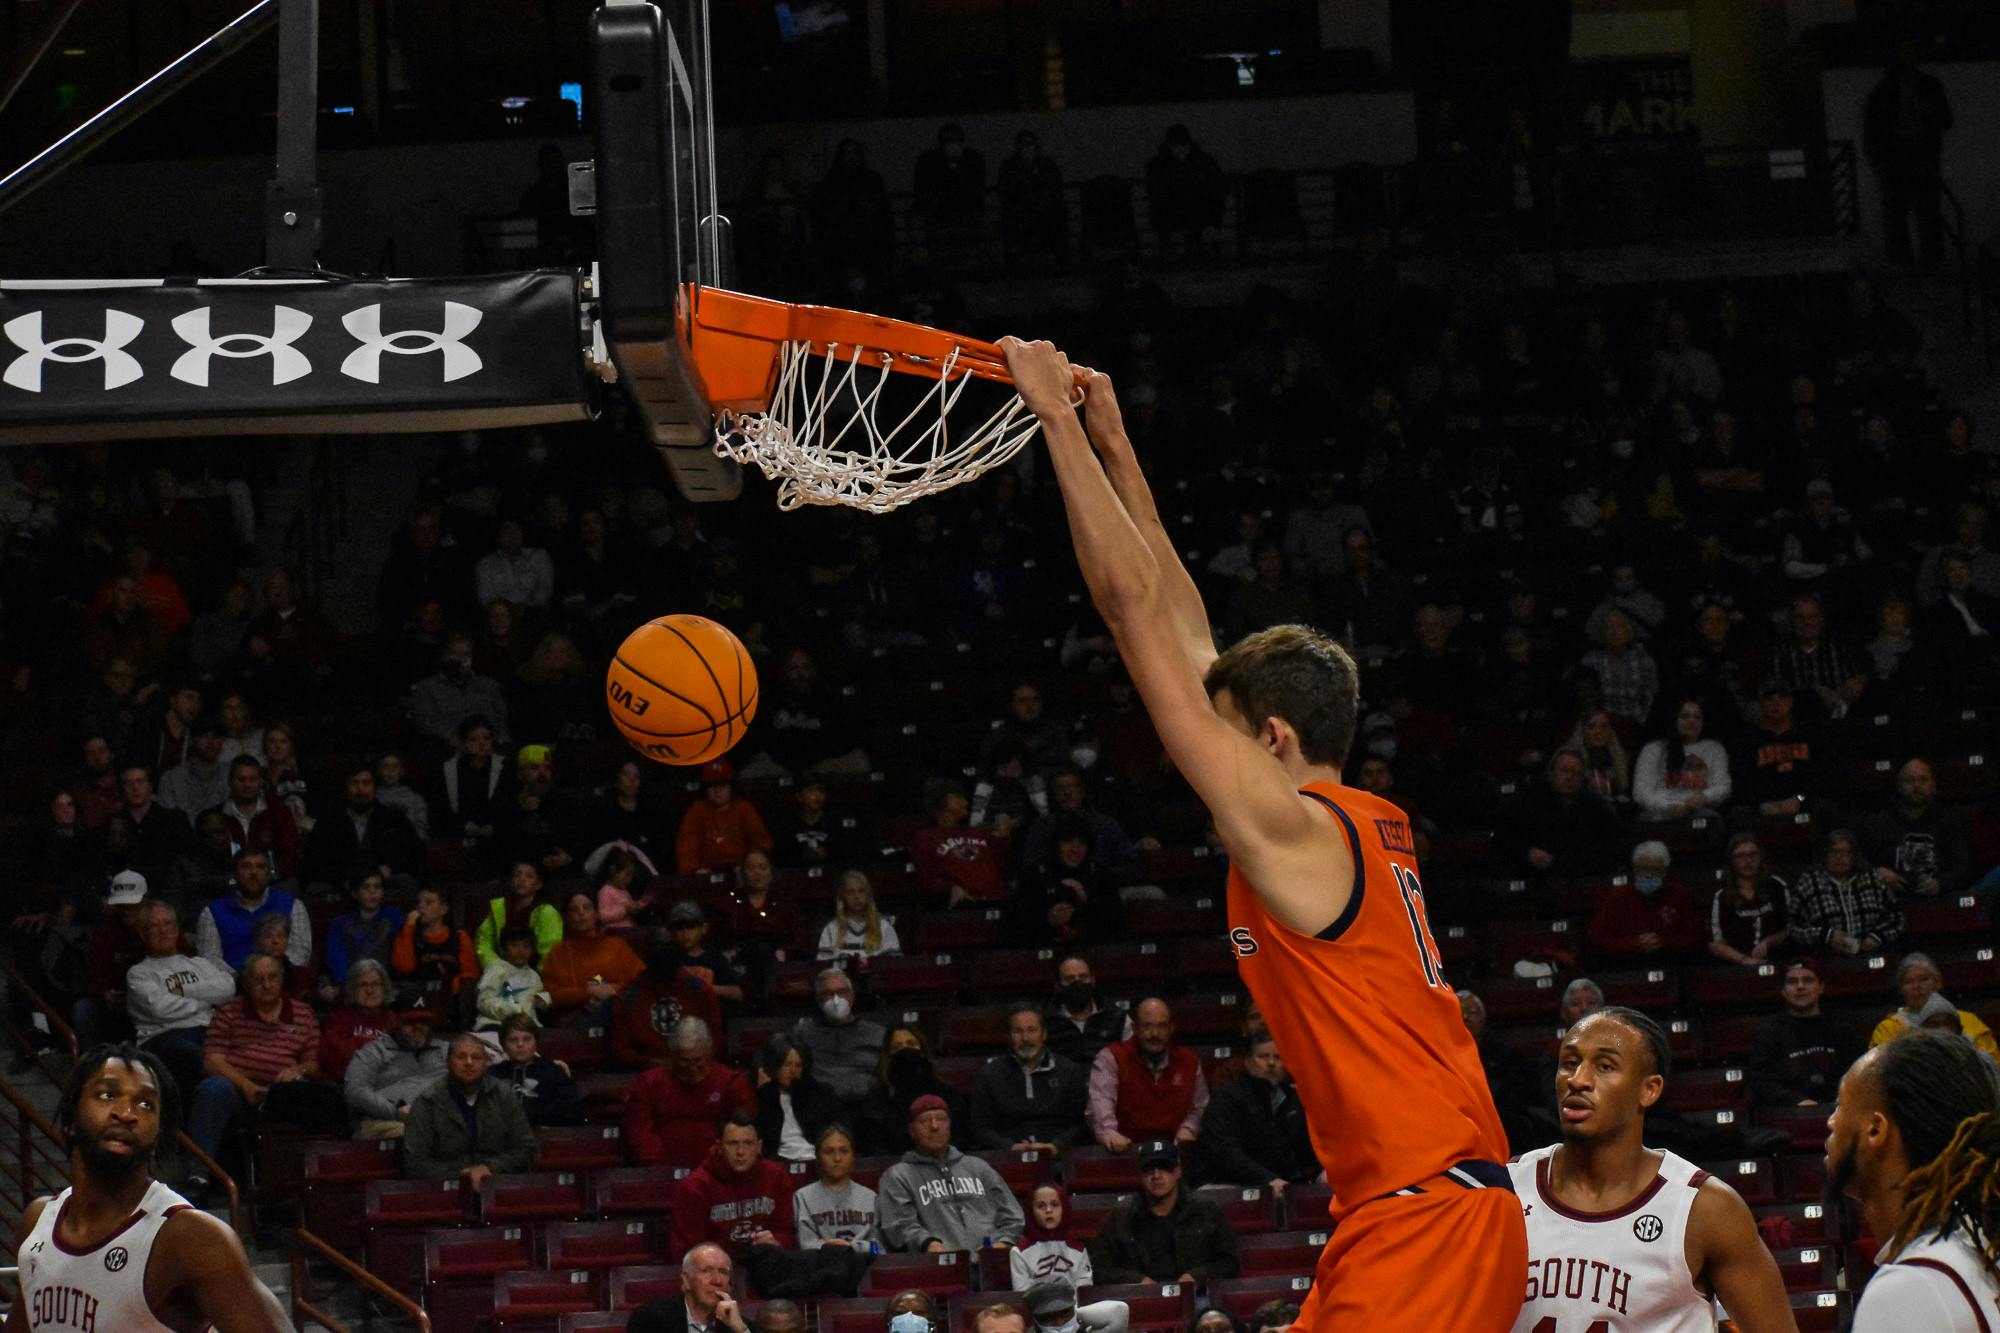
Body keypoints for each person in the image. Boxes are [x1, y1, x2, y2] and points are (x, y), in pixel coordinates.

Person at [1001, 336, 1520, 1329]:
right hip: (1408, 1209)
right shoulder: (1351, 825)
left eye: (1226, 731)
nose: (1208, 749)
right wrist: (1116, 446)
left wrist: (1054, 422)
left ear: (1271, 737)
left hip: (1427, 1221)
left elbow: (1130, 612)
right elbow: (1184, 630)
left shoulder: (1296, 830)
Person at [1508, 1007, 1795, 1331]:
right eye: (1570, 1063)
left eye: (1604, 1066)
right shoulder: (1505, 1188)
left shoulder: (1705, 1208)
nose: (1578, 1080)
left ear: (1650, 1090)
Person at [12, 1044, 293, 1332]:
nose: (126, 1113)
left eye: (146, 1104)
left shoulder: (190, 1238)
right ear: (71, 1119)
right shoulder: (37, 1222)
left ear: (157, 1137)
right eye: (108, 1095)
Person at [1828, 1031, 2000, 1329]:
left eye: (1840, 1105)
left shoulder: (1910, 1286)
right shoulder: (1978, 1249)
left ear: (1875, 1130)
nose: (1831, 1121)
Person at [186, 954, 323, 1197]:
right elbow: (212, 1061)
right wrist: (247, 1086)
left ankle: (303, 1185)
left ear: (282, 980)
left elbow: (313, 1064)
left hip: (282, 1093)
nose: (267, 985)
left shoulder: (303, 1014)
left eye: (273, 977)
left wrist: (298, 1070)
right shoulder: (229, 1012)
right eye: (258, 979)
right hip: (237, 1090)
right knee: (214, 1088)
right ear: (246, 984)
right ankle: (199, 1173)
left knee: (316, 1096)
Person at [876, 1095, 1025, 1252]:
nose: (934, 1126)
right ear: (912, 1131)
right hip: (936, 1262)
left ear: (950, 1125)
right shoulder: (898, 1176)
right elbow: (899, 1224)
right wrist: (927, 1244)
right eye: (924, 1121)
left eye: (941, 1119)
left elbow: (1013, 1216)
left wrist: (1002, 1243)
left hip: (990, 1258)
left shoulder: (978, 1167)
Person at [125, 898, 236, 1106]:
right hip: (164, 1038)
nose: (163, 930)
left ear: (177, 929)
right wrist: (206, 1002)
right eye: (154, 926)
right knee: (186, 1051)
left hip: (208, 1032)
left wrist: (181, 990)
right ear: (143, 934)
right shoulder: (139, 973)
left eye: (167, 923)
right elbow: (160, 1008)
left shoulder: (200, 963)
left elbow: (227, 988)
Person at [1087, 1139, 1239, 1286]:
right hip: (1140, 1297)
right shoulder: (1120, 1215)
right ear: (1141, 1176)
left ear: (1178, 1172)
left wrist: (1196, 1277)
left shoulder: (1206, 1210)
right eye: (1149, 1169)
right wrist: (1137, 1281)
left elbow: (1229, 1262)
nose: (1156, 1176)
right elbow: (1099, 1269)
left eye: (1164, 1167)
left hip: (1195, 1295)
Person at [1862, 38, 1954, 268]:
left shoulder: (1928, 85)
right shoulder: (1885, 90)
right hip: (1897, 157)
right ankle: (1904, 263)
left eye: (1912, 52)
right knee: (1897, 215)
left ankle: (1930, 262)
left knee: (1927, 211)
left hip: (1921, 155)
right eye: (1905, 52)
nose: (1909, 57)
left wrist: (1930, 111)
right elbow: (1873, 128)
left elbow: (1946, 119)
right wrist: (1880, 159)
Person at [401, 1032, 539, 1182]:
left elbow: (526, 1148)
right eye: (461, 1057)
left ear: (485, 1063)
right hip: (447, 1187)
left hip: (498, 1181)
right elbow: (415, 1164)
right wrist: (463, 1173)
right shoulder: (428, 1102)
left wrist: (489, 1168)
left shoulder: (503, 1095)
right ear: (448, 1062)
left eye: (476, 1057)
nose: (469, 1062)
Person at [626, 1017, 757, 1171]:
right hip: (663, 1169)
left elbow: (743, 1130)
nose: (692, 1069)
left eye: (698, 1061)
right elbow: (641, 1132)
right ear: (673, 1055)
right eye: (685, 1061)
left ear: (709, 1052)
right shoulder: (648, 1083)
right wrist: (658, 1167)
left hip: (719, 1167)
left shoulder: (731, 1082)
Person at [1196, 1028, 1317, 1192]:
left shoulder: (1294, 1100)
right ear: (1247, 1061)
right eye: (1263, 1057)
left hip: (1284, 1185)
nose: (1271, 1063)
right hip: (1232, 1184)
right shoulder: (1226, 1098)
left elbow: (1307, 1149)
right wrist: (1268, 1180)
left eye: (1278, 1057)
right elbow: (1223, 1151)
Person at [668, 1112, 797, 1257]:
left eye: (748, 1143)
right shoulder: (695, 1186)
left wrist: (776, 1242)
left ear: (759, 1147)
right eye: (733, 1143)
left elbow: (786, 1232)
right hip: (716, 1265)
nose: (740, 1152)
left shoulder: (776, 1176)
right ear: (719, 1147)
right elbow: (688, 1249)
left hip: (765, 1261)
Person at [1087, 997, 1207, 1152]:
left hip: (1174, 1150)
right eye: (1147, 1026)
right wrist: (1111, 1135)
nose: (1154, 1034)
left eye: (1162, 1026)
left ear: (1171, 1028)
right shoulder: (1111, 1058)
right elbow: (1100, 1106)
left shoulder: (1190, 1061)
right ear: (1135, 1028)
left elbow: (1199, 1108)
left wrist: (1188, 1129)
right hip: (1126, 1151)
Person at [969, 1003, 1088, 1155]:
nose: (1025, 1038)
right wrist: (1009, 1147)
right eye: (1017, 1031)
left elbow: (1080, 1124)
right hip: (1007, 1158)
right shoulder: (990, 1074)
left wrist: (1056, 1146)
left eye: (1032, 1030)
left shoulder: (1069, 1071)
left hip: (1058, 1158)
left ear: (1044, 1033)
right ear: (1009, 1036)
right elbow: (980, 1127)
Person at [1748, 959, 1856, 1108]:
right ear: (1783, 991)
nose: (1800, 986)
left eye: (1808, 980)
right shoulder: (1769, 1032)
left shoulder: (1842, 1027)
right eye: (1792, 982)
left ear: (1821, 987)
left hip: (1841, 1109)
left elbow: (1857, 1071)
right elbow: (1763, 1081)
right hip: (1790, 1113)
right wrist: (1797, 1101)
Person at [1862, 758, 1971, 900]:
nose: (1916, 786)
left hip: (1939, 898)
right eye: (1909, 781)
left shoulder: (1949, 820)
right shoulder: (1880, 821)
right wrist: (1876, 873)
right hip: (1891, 898)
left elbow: (1962, 866)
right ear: (1899, 786)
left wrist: (1940, 884)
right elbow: (1859, 860)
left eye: (1923, 780)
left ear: (1933, 785)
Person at [1507, 749, 1624, 877]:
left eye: (1576, 773)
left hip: (1582, 875)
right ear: (1551, 773)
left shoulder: (1595, 804)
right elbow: (1507, 837)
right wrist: (1527, 852)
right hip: (1536, 876)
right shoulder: (1529, 799)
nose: (1569, 777)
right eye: (1564, 771)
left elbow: (1615, 842)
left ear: (1582, 778)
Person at [1788, 829, 1904, 957]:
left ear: (1854, 856)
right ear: (1825, 855)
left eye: (1845, 852)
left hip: (1873, 955)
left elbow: (1896, 919)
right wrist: (1826, 935)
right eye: (1833, 852)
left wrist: (1877, 937)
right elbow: (1793, 928)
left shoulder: (1873, 880)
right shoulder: (1809, 883)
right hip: (1825, 958)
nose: (1839, 857)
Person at [194, 846, 311, 972]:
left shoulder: (293, 905)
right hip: (232, 981)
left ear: (268, 874)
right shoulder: (212, 912)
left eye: (260, 867)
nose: (254, 873)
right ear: (235, 874)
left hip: (281, 978)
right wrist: (243, 978)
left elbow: (300, 954)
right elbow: (209, 959)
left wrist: (271, 973)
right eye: (246, 866)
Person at [1585, 841, 1706, 962]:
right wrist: (1634, 944)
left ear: (1665, 872)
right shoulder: (1619, 896)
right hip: (1628, 963)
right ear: (1634, 870)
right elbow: (1596, 939)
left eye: (1654, 870)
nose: (1648, 875)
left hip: (1670, 960)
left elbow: (1696, 937)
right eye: (1642, 869)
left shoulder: (1678, 894)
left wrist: (1664, 941)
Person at [342, 1005, 447, 1139]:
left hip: (438, 1121)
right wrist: (396, 1111)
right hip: (386, 1123)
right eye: (410, 1022)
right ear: (395, 1022)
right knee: (418, 1135)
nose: (418, 1027)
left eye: (424, 1021)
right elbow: (355, 1091)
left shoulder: (444, 1050)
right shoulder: (374, 1051)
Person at [792, 968, 886, 1115]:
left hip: (868, 1107)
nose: (836, 999)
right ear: (819, 999)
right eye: (828, 993)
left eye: (842, 992)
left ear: (852, 996)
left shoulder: (877, 1033)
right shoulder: (802, 1033)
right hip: (820, 1109)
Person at [1869, 953, 2000, 1058]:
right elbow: (1879, 1074)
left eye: (1924, 979)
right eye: (1908, 982)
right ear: (1901, 989)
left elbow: (1992, 1068)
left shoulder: (1970, 1021)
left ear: (1938, 983)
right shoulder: (1887, 1030)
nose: (1917, 986)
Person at [540, 888, 645, 1017]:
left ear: (596, 914)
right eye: (574, 910)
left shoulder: (617, 946)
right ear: (567, 918)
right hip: (573, 1018)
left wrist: (614, 991)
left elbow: (640, 980)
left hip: (617, 1013)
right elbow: (549, 993)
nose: (581, 913)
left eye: (587, 908)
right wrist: (587, 992)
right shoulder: (558, 953)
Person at [1632, 697, 1733, 821]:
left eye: (1697, 717)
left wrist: (1704, 797)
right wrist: (1668, 807)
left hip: (1698, 812)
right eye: (1685, 716)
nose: (1692, 721)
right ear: (1673, 720)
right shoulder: (1654, 749)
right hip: (1660, 812)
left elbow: (1724, 786)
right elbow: (1641, 792)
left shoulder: (1714, 749)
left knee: (1709, 820)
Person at [629, 1241, 753, 1333]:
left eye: (723, 1272)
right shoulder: (651, 1319)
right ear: (686, 1280)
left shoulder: (742, 1326)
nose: (717, 1280)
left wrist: (740, 1329)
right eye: (706, 1271)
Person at [677, 759, 775, 875]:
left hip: (741, 871)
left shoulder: (744, 809)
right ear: (705, 789)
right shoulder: (697, 811)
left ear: (731, 787)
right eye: (712, 786)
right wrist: (694, 870)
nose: (717, 790)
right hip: (708, 872)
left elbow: (761, 843)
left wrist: (749, 866)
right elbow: (686, 847)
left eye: (722, 784)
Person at [755, 1034, 838, 1165]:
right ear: (775, 1065)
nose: (793, 1071)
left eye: (798, 1065)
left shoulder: (819, 1094)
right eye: (787, 1064)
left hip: (817, 1162)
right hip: (779, 1163)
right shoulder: (764, 1097)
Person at [794, 1123, 878, 1250]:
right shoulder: (803, 1197)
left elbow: (878, 1247)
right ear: (818, 1157)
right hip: (820, 1261)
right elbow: (805, 1245)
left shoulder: (871, 1198)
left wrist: (853, 1248)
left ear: (853, 1156)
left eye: (844, 1151)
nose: (837, 1158)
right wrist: (832, 1249)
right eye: (829, 1152)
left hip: (862, 1260)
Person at [1708, 835, 1789, 966]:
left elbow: (1790, 929)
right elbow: (1715, 943)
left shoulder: (1777, 887)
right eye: (1741, 856)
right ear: (1731, 861)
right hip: (1736, 965)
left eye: (1753, 854)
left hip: (1776, 960)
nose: (1748, 860)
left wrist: (1769, 942)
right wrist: (1744, 960)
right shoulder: (1721, 896)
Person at [323, 869, 406, 996]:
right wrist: (348, 985)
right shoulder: (340, 923)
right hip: (352, 987)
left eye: (377, 887)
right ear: (355, 893)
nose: (372, 892)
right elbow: (337, 959)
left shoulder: (393, 916)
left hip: (386, 986)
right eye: (366, 887)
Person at [494, 1014, 584, 1128]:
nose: (520, 1044)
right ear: (503, 1046)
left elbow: (569, 1109)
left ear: (536, 1042)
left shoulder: (554, 1071)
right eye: (513, 1040)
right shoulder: (493, 1074)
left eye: (527, 1039)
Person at [317, 959, 397, 1083]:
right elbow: (338, 1059)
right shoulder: (339, 1020)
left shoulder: (393, 1020)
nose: (369, 990)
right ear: (353, 990)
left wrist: (359, 1043)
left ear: (384, 988)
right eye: (363, 985)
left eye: (375, 984)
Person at [390, 884, 478, 996]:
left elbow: (469, 974)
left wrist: (453, 987)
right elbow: (404, 967)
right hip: (418, 996)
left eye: (428, 902)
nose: (421, 906)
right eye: (418, 903)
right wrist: (409, 927)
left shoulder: (459, 937)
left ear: (443, 909)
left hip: (450, 996)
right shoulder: (408, 935)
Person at [473, 860, 562, 969]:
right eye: (517, 875)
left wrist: (533, 974)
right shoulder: (499, 906)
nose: (522, 879)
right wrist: (497, 966)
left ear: (539, 885)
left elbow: (549, 952)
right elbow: (484, 941)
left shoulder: (547, 912)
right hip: (499, 969)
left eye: (529, 876)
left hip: (534, 972)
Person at [1043, 955, 1130, 1065]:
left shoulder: (1118, 1018)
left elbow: (1132, 1060)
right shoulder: (1046, 1022)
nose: (1077, 983)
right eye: (1069, 979)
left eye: (1083, 977)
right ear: (1058, 986)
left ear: (1092, 981)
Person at [1012, 1184, 1094, 1291]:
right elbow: (1022, 1293)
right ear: (1031, 1211)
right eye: (1041, 1206)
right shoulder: (1019, 1252)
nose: (1048, 1210)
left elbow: (1084, 1290)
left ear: (1064, 1209)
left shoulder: (1079, 1250)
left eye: (1055, 1204)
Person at [475, 923, 551, 1031]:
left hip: (527, 1026)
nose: (521, 950)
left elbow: (540, 996)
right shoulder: (496, 969)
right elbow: (484, 1001)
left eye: (526, 946)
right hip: (496, 1024)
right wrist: (512, 1010)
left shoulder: (533, 976)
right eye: (514, 945)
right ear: (503, 949)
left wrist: (543, 1001)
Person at [817, 870, 903, 960]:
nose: (857, 896)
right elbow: (823, 964)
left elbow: (894, 964)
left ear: (868, 895)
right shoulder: (830, 929)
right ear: (842, 897)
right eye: (850, 892)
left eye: (861, 891)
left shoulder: (884, 927)